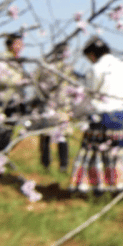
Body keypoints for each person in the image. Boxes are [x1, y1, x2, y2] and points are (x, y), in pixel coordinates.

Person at [69, 36, 123, 193]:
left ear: (92, 55)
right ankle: (121, 185)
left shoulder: (95, 69)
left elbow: (90, 92)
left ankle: (98, 187)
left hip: (102, 116)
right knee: (120, 155)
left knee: (97, 154)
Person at [35, 42, 70, 172]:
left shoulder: (48, 67)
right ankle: (61, 164)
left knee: (50, 135)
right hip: (56, 105)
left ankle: (49, 164)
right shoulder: (55, 68)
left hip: (53, 106)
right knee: (59, 135)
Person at [0, 33, 27, 151]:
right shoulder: (3, 58)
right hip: (3, 99)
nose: (21, 46)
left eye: (22, 44)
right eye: (18, 44)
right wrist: (16, 82)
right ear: (10, 45)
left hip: (15, 101)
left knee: (8, 133)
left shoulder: (19, 61)